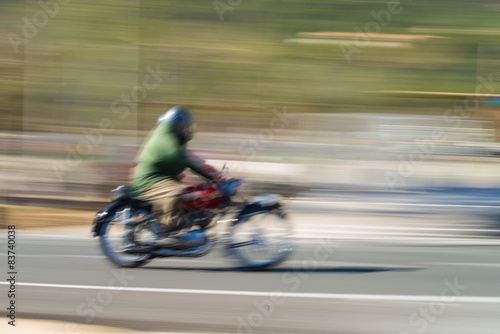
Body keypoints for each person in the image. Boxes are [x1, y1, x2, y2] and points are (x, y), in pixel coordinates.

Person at [131, 105, 224, 247]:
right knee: (176, 194)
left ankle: (190, 225)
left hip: (161, 179)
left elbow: (190, 159)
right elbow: (180, 157)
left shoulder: (172, 140)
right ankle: (168, 230)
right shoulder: (164, 137)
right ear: (179, 124)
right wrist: (205, 172)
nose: (187, 129)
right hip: (149, 181)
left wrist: (213, 175)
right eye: (186, 125)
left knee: (196, 195)